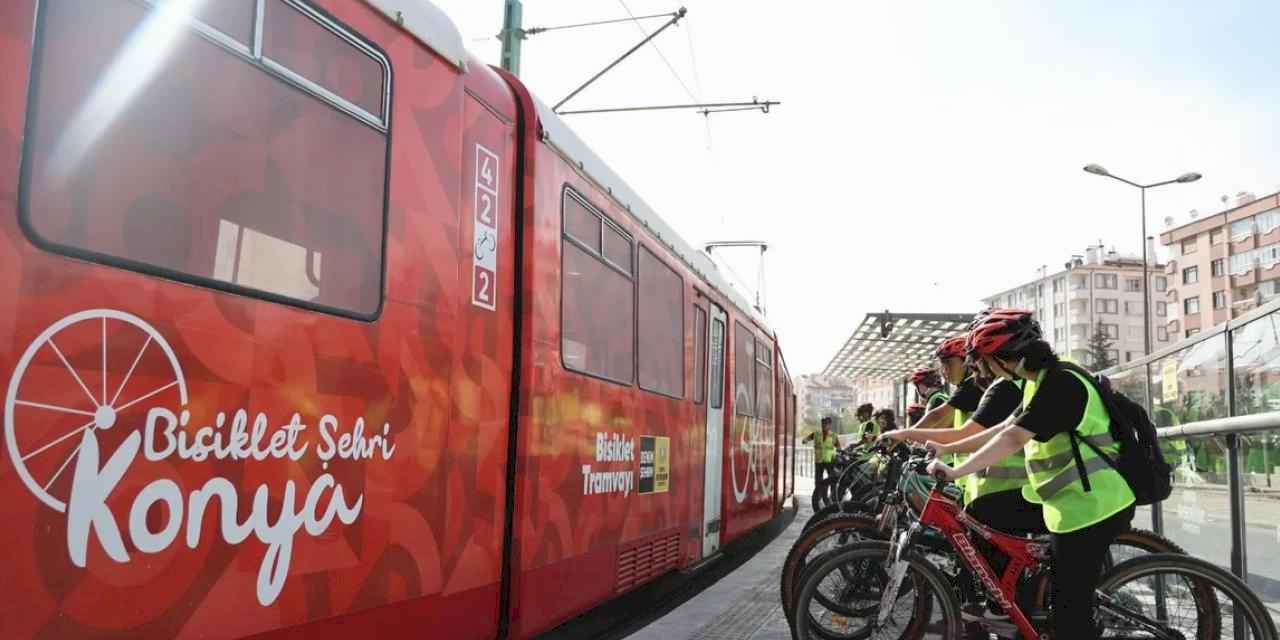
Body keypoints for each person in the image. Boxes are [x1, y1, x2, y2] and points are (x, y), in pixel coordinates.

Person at [926, 310, 1135, 640]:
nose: (984, 369)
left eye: (986, 360)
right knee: (982, 511)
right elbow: (1002, 430)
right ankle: (1008, 605)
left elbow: (1012, 439)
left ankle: (1035, 612)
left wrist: (955, 472)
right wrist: (942, 449)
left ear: (1005, 357)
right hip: (1061, 502)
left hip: (1093, 507)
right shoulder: (1037, 384)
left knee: (1070, 621)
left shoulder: (1062, 384)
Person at [802, 416, 839, 504]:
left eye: (826, 424)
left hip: (830, 460)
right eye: (823, 424)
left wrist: (836, 454)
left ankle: (832, 495)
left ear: (830, 425)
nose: (824, 426)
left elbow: (838, 447)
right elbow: (807, 439)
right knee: (818, 479)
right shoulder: (816, 434)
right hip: (819, 461)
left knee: (832, 479)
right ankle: (818, 495)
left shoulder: (833, 435)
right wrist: (805, 440)